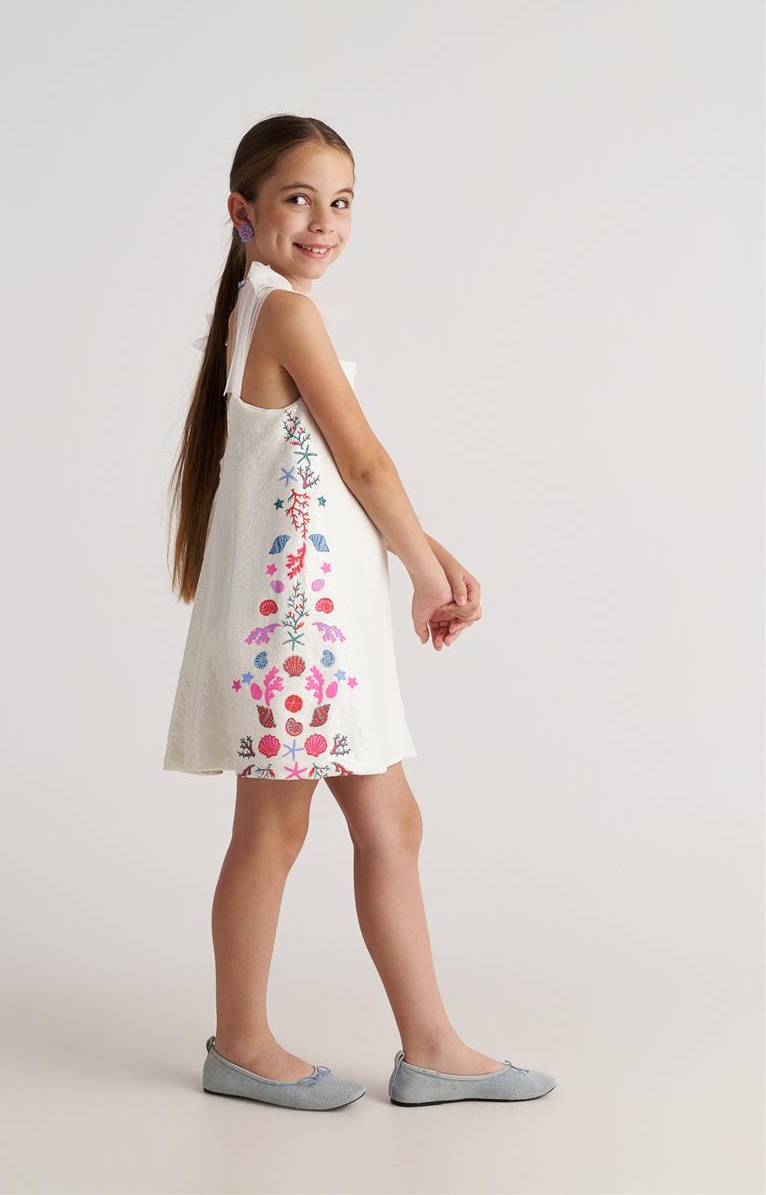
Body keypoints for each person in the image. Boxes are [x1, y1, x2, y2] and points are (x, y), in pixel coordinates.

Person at [162, 114, 556, 1110]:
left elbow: (337, 476)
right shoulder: (284, 313)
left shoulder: (267, 310)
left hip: (318, 634)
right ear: (242, 211)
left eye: (340, 202)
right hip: (296, 638)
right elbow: (365, 461)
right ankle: (242, 1044)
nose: (323, 221)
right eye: (298, 198)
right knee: (273, 832)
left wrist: (428, 550)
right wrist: (421, 570)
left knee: (389, 821)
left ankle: (430, 1047)